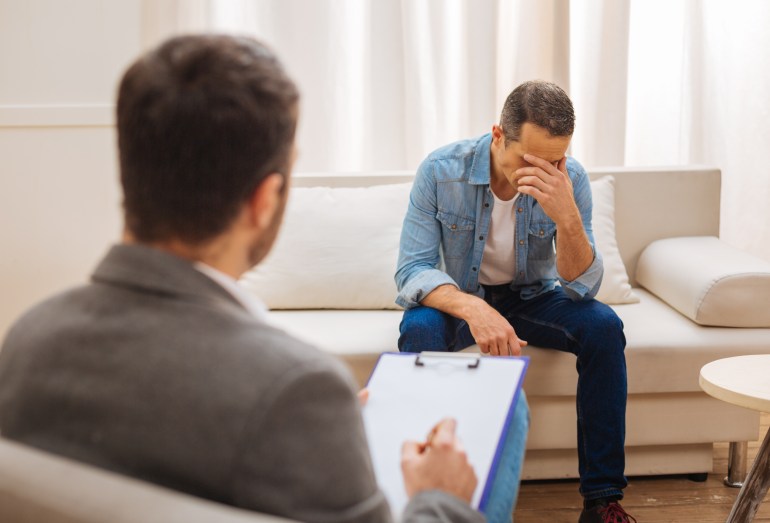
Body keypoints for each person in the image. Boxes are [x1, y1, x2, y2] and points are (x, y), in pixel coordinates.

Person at [0, 35, 524, 523]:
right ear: (264, 200)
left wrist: (316, 429)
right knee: (510, 410)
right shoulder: (297, 387)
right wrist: (440, 500)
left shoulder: (27, 339)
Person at [395, 80, 635, 523]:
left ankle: (602, 501)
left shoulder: (571, 179)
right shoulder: (440, 171)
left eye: (556, 160)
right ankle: (417, 492)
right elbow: (413, 269)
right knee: (419, 328)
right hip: (462, 296)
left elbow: (583, 286)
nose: (545, 172)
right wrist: (474, 309)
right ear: (498, 135)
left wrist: (567, 217)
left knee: (603, 326)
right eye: (532, 160)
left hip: (533, 298)